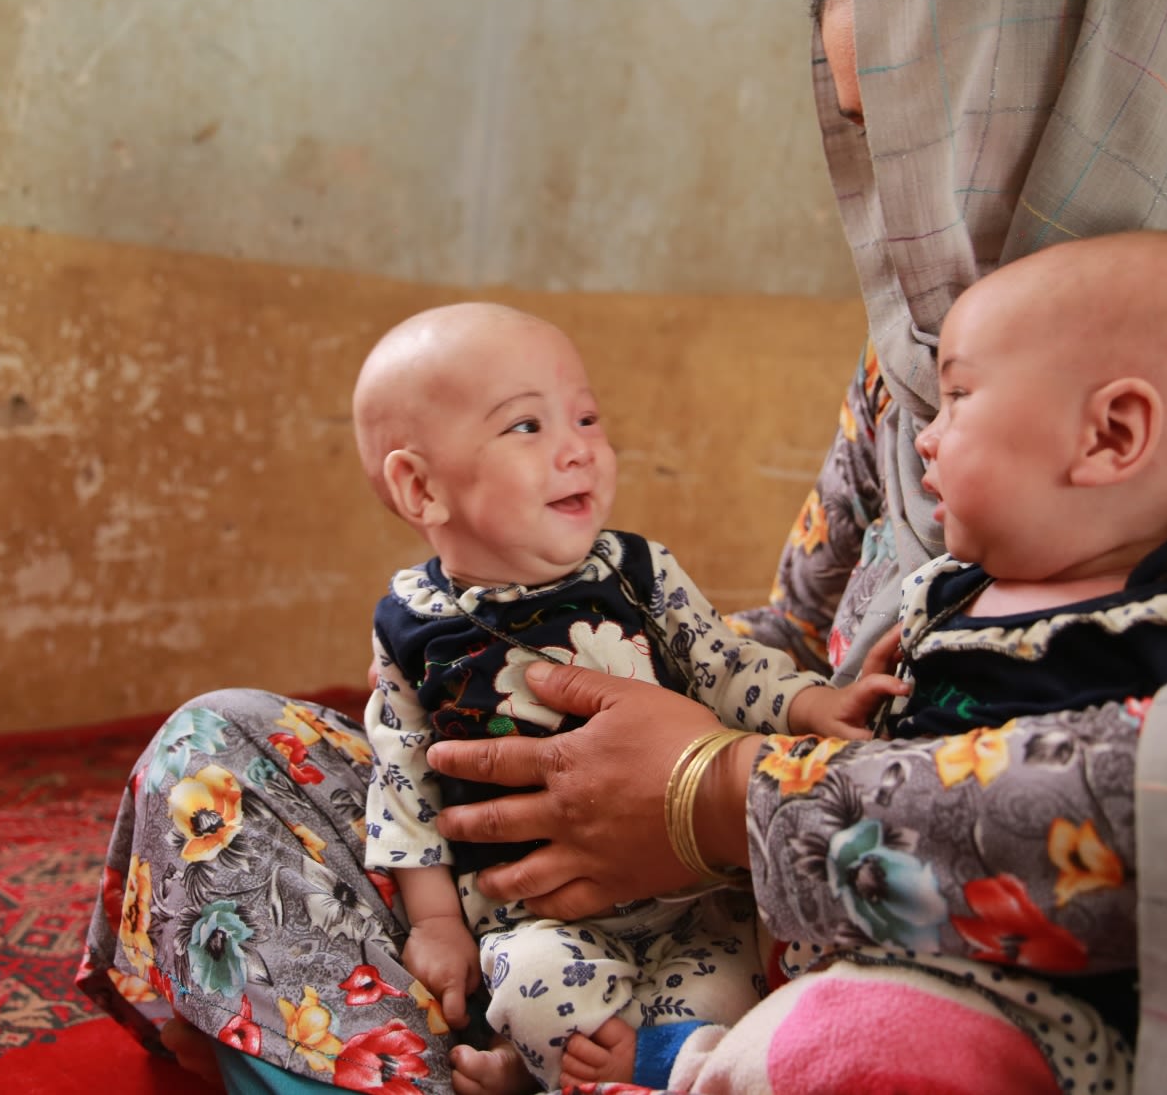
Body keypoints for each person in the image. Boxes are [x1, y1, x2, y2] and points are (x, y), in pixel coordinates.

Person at [78, 0, 1167, 1095]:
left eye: (934, 135)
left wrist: (724, 800)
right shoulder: (924, 380)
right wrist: (588, 748)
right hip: (720, 934)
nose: (898, 211)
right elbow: (791, 641)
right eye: (870, 143)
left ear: (1098, 72)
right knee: (231, 761)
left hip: (983, 1009)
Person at [633, 230, 1167, 1090]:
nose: (925, 437)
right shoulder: (947, 589)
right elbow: (795, 634)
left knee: (866, 1045)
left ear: (1110, 433)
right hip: (839, 950)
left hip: (1026, 1012)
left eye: (958, 399)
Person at [350, 302, 900, 1092]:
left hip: (692, 895)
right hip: (535, 914)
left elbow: (726, 663)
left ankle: (615, 1067)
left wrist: (813, 708)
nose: (578, 447)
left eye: (585, 416)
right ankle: (546, 1064)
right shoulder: (411, 625)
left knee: (727, 990)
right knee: (540, 991)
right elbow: (401, 778)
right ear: (420, 486)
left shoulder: (637, 572)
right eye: (526, 427)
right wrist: (436, 922)